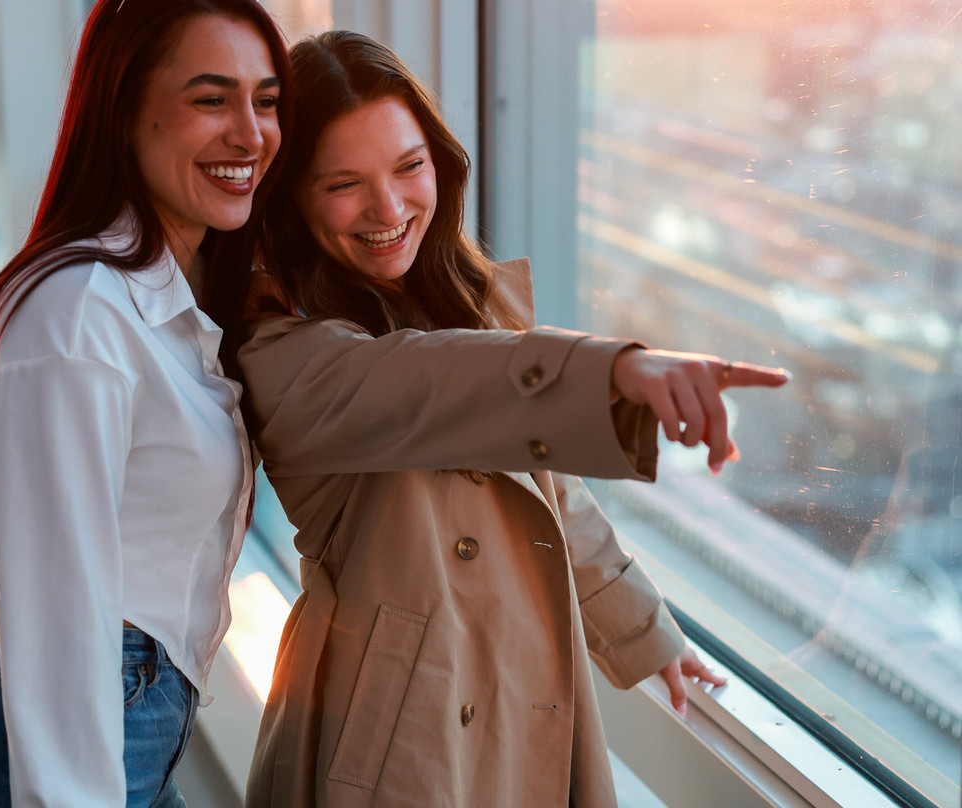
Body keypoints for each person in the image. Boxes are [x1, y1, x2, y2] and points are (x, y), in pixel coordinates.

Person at [231, 30, 790, 808]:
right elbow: (440, 383)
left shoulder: (468, 298)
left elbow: (550, 495)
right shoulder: (287, 355)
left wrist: (641, 630)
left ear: (441, 162)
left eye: (409, 166)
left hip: (518, 689)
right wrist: (618, 369)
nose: (388, 208)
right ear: (292, 197)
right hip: (391, 734)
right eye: (343, 184)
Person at [0, 1, 292, 805]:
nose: (250, 134)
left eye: (267, 100)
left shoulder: (172, 302)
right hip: (29, 756)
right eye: (211, 99)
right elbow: (62, 632)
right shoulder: (76, 317)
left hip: (128, 725)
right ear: (124, 111)